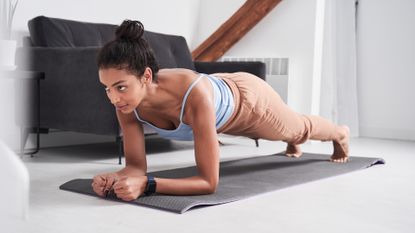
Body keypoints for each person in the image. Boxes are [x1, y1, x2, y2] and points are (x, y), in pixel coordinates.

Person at [92, 20, 350, 201]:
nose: (113, 98)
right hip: (221, 92)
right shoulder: (126, 104)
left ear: (146, 76)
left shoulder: (193, 96)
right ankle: (291, 140)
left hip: (251, 103)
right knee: (288, 133)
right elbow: (136, 167)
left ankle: (340, 133)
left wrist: (148, 185)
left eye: (120, 87)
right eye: (107, 89)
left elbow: (208, 182)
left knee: (298, 127)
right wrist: (113, 179)